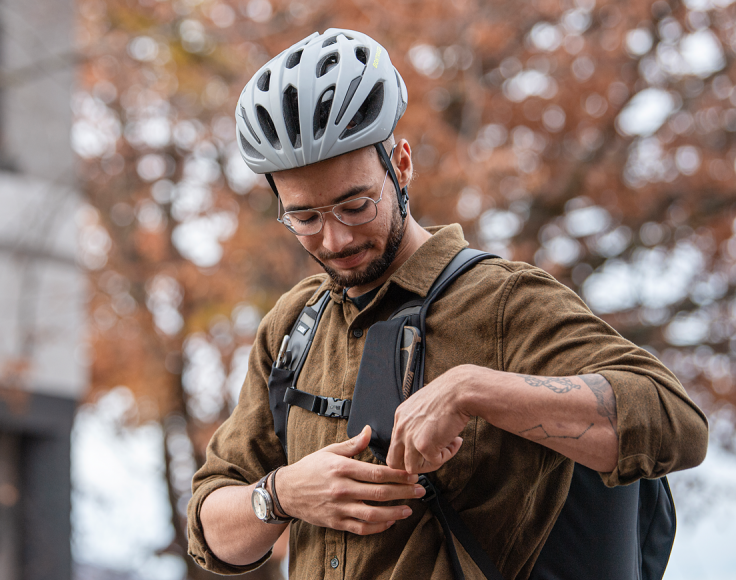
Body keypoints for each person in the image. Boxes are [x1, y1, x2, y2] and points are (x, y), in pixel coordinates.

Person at [187, 28, 708, 579]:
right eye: (306, 218)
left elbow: (673, 420)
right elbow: (210, 529)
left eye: (355, 205)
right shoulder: (292, 327)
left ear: (401, 165)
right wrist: (282, 494)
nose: (335, 240)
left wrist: (472, 389)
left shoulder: (501, 299)